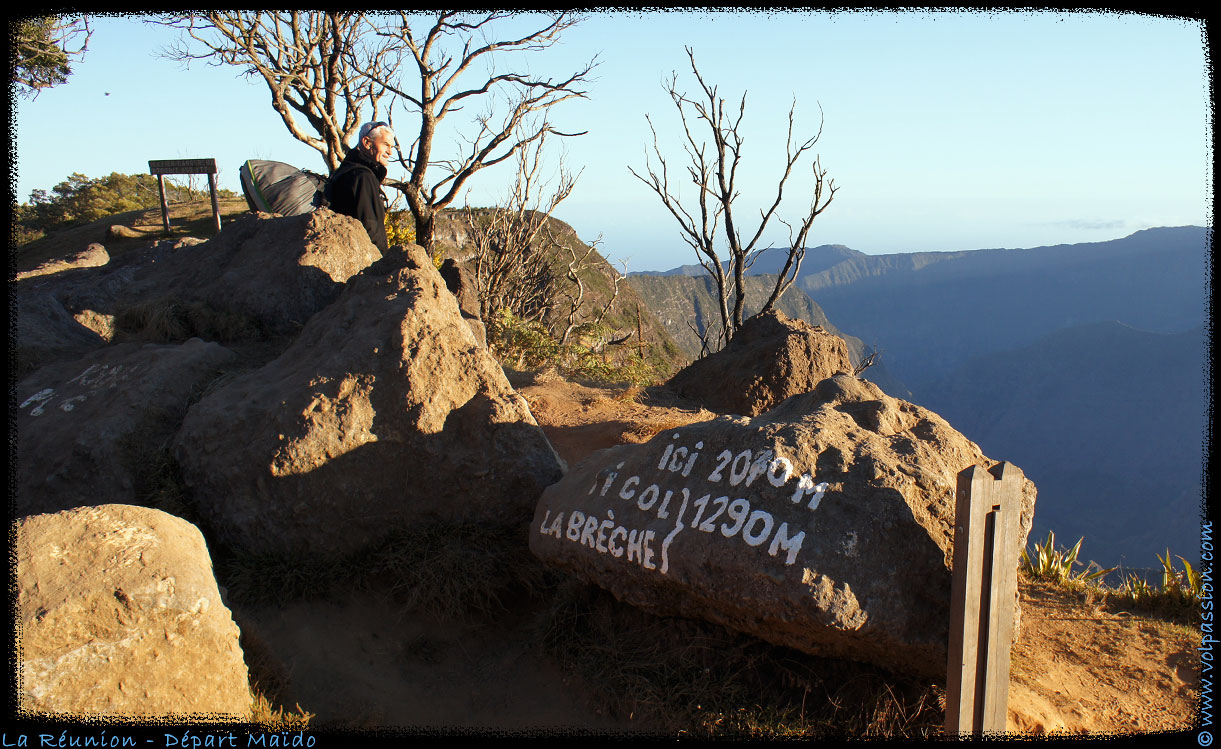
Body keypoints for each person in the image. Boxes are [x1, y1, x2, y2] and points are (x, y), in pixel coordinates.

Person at [326, 121, 394, 253]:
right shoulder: (363, 177)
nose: (390, 152)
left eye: (392, 147)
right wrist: (383, 264)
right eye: (385, 144)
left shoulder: (346, 170)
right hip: (361, 259)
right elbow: (371, 227)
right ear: (367, 143)